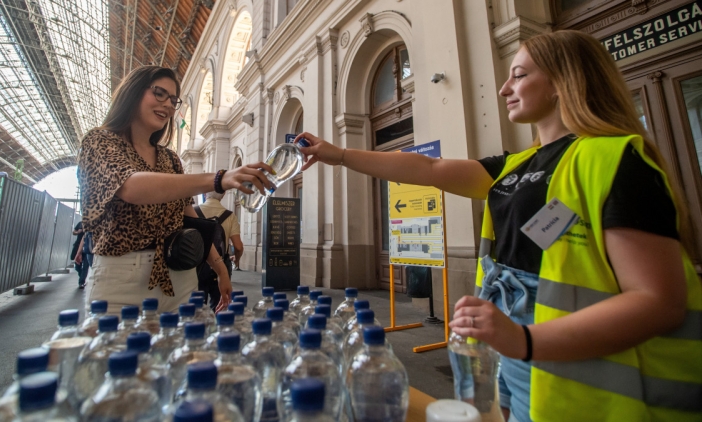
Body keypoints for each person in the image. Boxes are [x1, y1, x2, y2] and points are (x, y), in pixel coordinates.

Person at [295, 31, 701, 422]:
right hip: (512, 349)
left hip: (587, 370)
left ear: (564, 81)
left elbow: (657, 300)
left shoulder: (615, 160)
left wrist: (524, 341)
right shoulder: (516, 165)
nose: (505, 88)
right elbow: (429, 168)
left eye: (520, 75)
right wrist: (340, 154)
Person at [77, 66, 274, 315]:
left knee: (180, 353)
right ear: (133, 92)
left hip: (180, 277)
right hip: (120, 283)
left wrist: (220, 269)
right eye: (159, 93)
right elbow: (131, 187)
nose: (168, 105)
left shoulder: (170, 159)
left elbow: (189, 219)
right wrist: (218, 178)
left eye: (173, 100)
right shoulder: (100, 141)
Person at [195, 191, 244, 309]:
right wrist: (237, 260)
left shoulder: (194, 211)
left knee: (196, 307)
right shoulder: (230, 216)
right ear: (223, 196)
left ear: (205, 195)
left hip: (197, 267)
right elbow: (238, 246)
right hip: (221, 267)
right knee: (219, 306)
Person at [70, 221, 85, 287]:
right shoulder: (80, 223)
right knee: (77, 266)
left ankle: (81, 282)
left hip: (87, 247)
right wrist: (78, 232)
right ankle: (82, 275)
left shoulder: (92, 223)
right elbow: (73, 232)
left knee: (85, 266)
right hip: (77, 245)